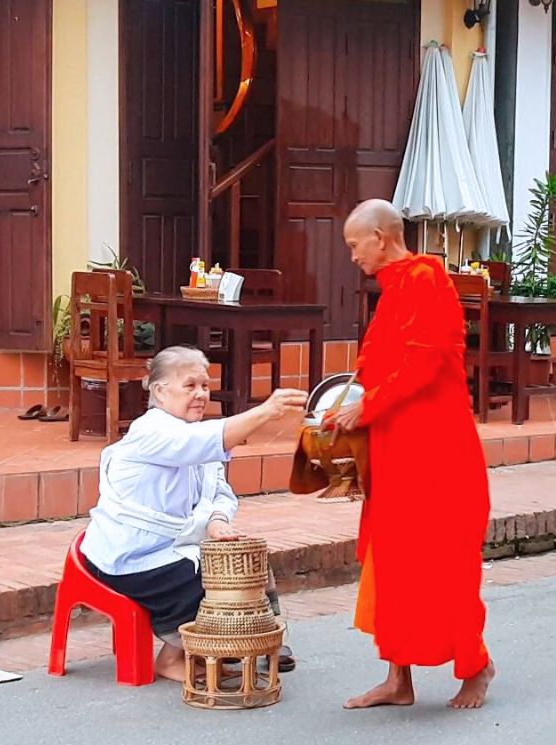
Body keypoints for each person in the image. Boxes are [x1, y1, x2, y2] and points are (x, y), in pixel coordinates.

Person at [325, 198, 494, 710]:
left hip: (436, 447)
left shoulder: (426, 280)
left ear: (381, 236)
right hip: (396, 443)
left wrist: (367, 406)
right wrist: (346, 412)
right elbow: (380, 363)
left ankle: (476, 667)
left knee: (445, 560)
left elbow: (424, 365)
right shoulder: (395, 287)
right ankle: (398, 679)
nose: (353, 256)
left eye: (356, 245)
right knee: (393, 560)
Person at [80, 346, 307, 682]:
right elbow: (203, 442)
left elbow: (219, 492)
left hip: (172, 546)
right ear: (159, 390)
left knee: (245, 562)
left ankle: (264, 638)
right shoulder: (151, 430)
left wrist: (217, 521)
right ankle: (174, 656)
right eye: (190, 386)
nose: (201, 394)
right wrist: (266, 411)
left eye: (205, 386)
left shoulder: (195, 433)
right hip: (128, 555)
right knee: (210, 578)